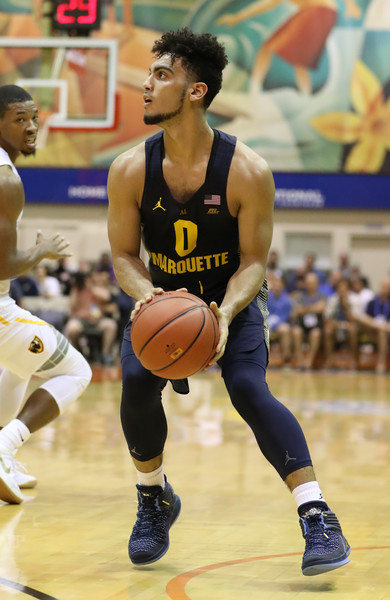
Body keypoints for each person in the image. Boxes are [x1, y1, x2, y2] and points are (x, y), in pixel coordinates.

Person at [107, 28, 350, 576]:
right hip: (162, 298)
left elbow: (255, 262)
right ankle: (153, 499)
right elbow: (123, 255)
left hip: (230, 298)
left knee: (246, 386)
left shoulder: (248, 171)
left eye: (161, 75)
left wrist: (224, 312)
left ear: (196, 91)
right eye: (149, 74)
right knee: (138, 383)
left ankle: (317, 514)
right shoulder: (128, 169)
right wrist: (149, 299)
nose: (145, 85)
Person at [0, 84, 92, 504]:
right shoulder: (5, 180)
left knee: (20, 367)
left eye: (34, 117)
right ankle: (4, 448)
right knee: (77, 372)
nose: (32, 127)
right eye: (19, 119)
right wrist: (42, 251)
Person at [291, 272, 327, 369]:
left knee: (315, 334)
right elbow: (296, 311)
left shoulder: (322, 296)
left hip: (316, 325)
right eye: (308, 283)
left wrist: (304, 309)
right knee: (296, 331)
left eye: (312, 283)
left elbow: (321, 308)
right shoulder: (301, 296)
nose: (310, 285)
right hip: (302, 324)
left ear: (317, 283)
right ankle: (300, 360)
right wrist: (312, 308)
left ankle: (309, 361)